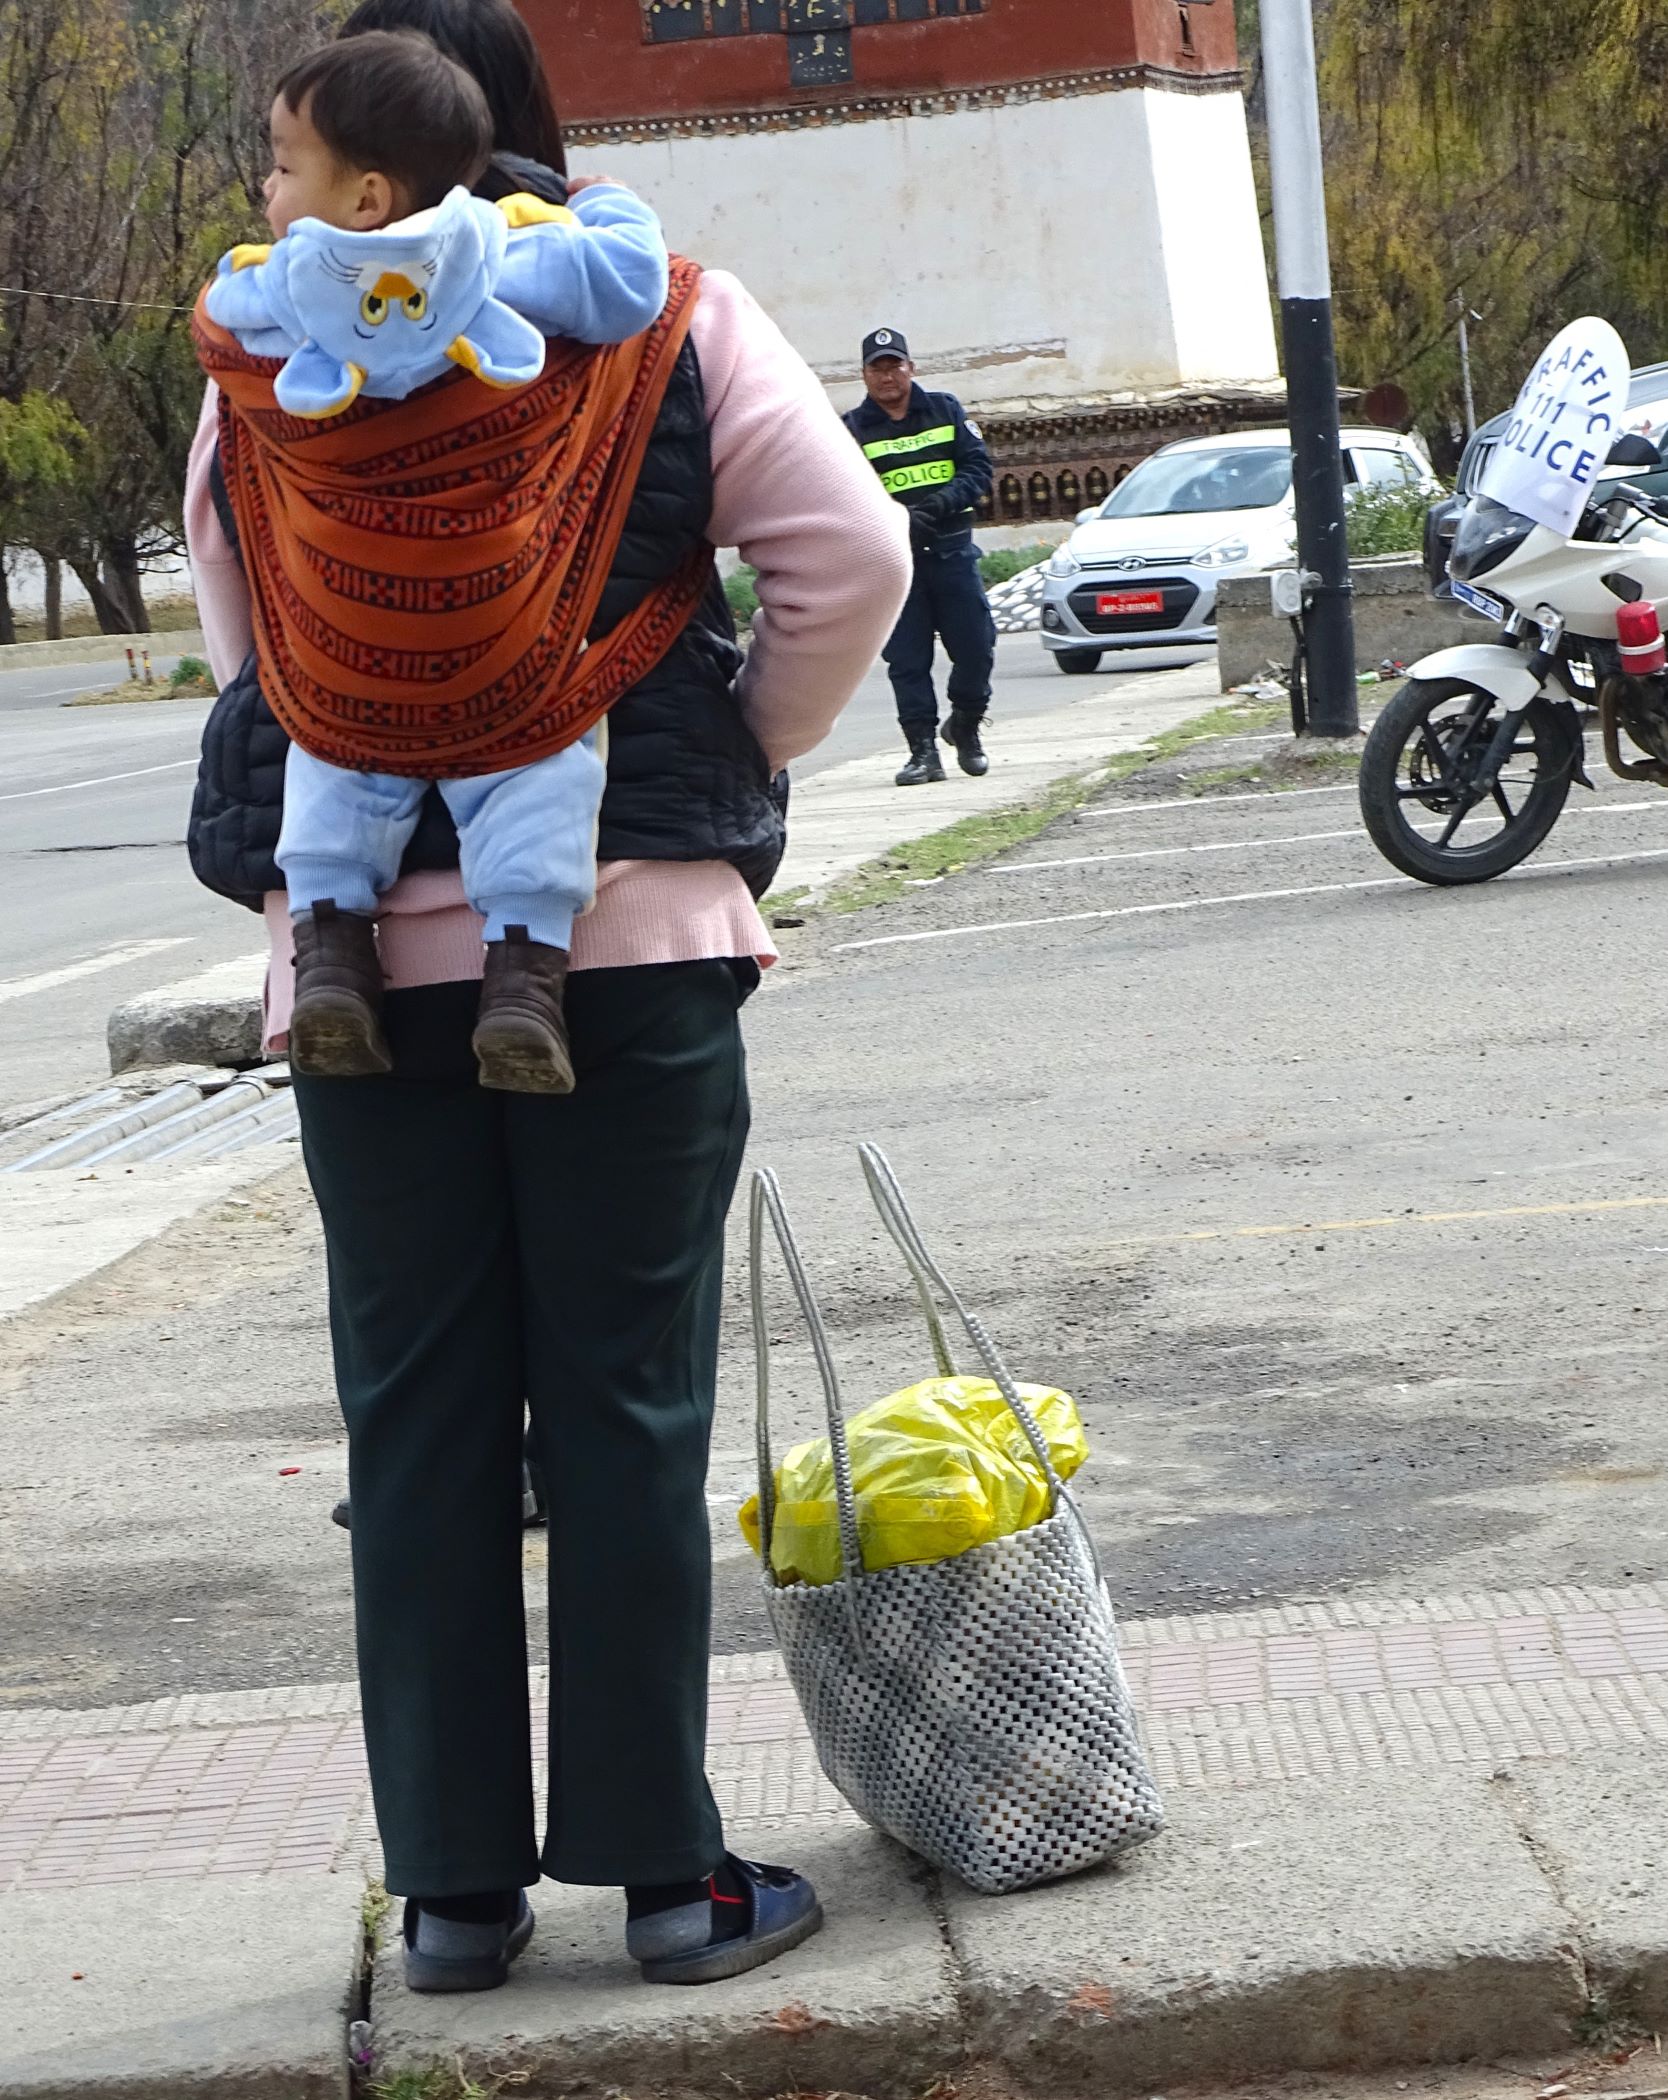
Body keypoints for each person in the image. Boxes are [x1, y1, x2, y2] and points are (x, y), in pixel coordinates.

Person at [186, 0, 911, 1999]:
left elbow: (241, 603)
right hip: (623, 942)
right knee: (622, 1401)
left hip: (350, 968)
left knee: (414, 1418)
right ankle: (666, 1881)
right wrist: (719, 765)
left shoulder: (266, 328)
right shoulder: (663, 303)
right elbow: (851, 552)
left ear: (354, 153)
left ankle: (451, 1899)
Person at [200, 32, 671, 1093]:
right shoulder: (510, 256)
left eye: (281, 166)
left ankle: (328, 953)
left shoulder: (278, 297)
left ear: (364, 197)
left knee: (329, 749)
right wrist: (598, 197)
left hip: (351, 647)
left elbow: (216, 324)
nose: (265, 188)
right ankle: (524, 981)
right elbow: (631, 284)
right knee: (546, 767)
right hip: (507, 651)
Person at [843, 327, 997, 786]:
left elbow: (978, 469)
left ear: (912, 367)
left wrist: (937, 505)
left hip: (951, 551)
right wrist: (897, 519)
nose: (887, 376)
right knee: (907, 662)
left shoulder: (945, 410)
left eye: (895, 365)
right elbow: (846, 492)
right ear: (865, 374)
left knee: (975, 647)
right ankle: (922, 752)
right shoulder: (852, 429)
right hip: (895, 562)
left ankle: (966, 723)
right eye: (878, 367)